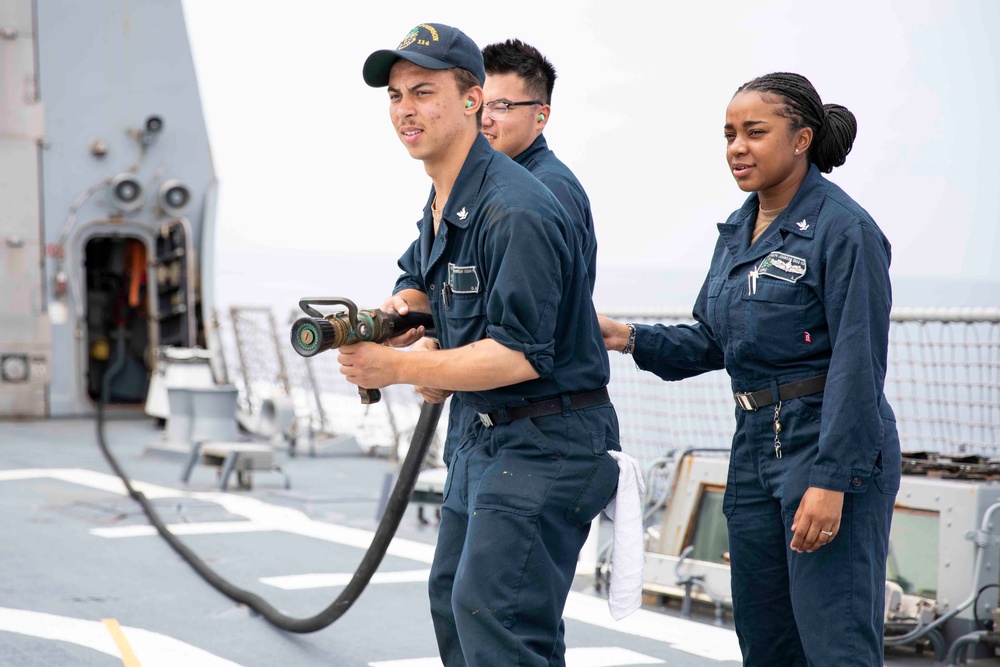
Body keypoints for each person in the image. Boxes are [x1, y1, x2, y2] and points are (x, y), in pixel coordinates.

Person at [600, 72, 900, 666]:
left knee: (835, 644)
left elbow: (858, 368)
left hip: (824, 446)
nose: (737, 147)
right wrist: (628, 337)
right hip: (754, 448)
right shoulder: (738, 229)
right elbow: (717, 341)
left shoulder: (847, 231)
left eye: (755, 132)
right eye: (729, 134)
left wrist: (830, 481)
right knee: (766, 644)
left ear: (801, 139)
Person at [349, 23, 621, 667]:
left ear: (471, 100)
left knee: (495, 615)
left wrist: (395, 365)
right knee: (455, 600)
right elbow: (422, 282)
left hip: (544, 439)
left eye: (422, 91)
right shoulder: (448, 194)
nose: (405, 110)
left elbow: (522, 352)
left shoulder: (518, 206)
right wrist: (388, 320)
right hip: (486, 435)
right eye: (394, 95)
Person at [417, 38, 600, 470]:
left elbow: (523, 338)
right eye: (480, 104)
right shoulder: (467, 185)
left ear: (541, 115)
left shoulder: (538, 195)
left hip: (532, 425)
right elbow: (427, 269)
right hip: (480, 417)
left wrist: (411, 367)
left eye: (501, 106)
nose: (485, 119)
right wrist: (410, 310)